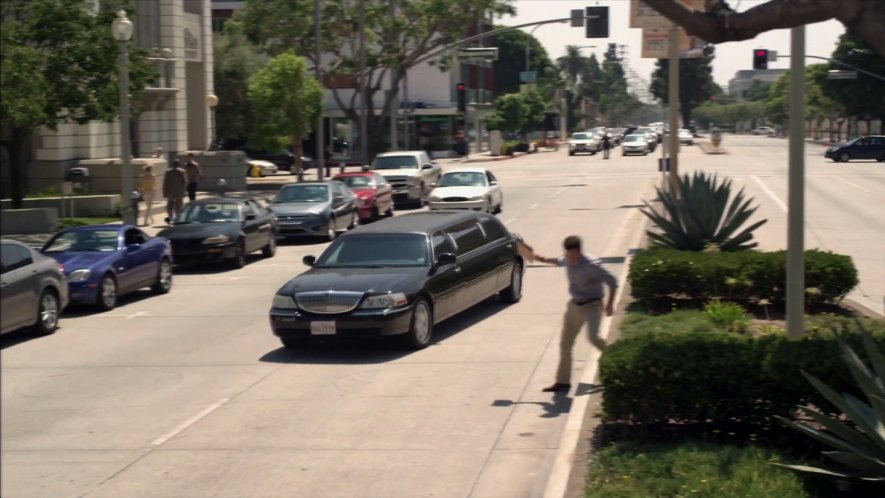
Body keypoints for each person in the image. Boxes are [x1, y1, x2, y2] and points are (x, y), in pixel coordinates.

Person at [534, 235, 618, 393]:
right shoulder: (567, 259)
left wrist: (610, 304)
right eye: (568, 254)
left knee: (593, 337)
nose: (570, 258)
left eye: (572, 255)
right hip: (574, 306)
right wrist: (542, 259)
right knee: (565, 344)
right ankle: (563, 382)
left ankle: (617, 359)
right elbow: (557, 261)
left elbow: (612, 281)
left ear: (579, 251)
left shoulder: (592, 264)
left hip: (593, 305)